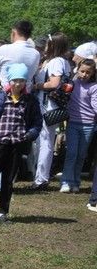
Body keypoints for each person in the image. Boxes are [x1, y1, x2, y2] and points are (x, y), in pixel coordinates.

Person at [0, 62, 42, 222]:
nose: (18, 84)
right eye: (15, 80)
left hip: (17, 144)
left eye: (22, 80)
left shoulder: (30, 101)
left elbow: (37, 122)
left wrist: (29, 135)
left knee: (8, 180)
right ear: (9, 81)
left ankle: (3, 212)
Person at [31, 32, 73, 189]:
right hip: (50, 105)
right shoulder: (63, 61)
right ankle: (40, 175)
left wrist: (37, 86)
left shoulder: (56, 62)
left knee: (45, 141)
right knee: (45, 140)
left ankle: (41, 178)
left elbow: (54, 83)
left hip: (48, 105)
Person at [61, 58, 97, 194]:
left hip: (89, 125)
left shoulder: (94, 87)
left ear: (93, 73)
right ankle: (66, 181)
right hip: (73, 123)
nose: (84, 74)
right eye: (82, 71)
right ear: (78, 70)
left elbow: (95, 105)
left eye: (88, 72)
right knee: (71, 153)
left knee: (81, 155)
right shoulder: (73, 83)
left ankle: (76, 181)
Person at [0, 19, 40, 89]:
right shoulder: (36, 54)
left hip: (5, 94)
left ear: (14, 32)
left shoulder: (5, 49)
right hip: (25, 95)